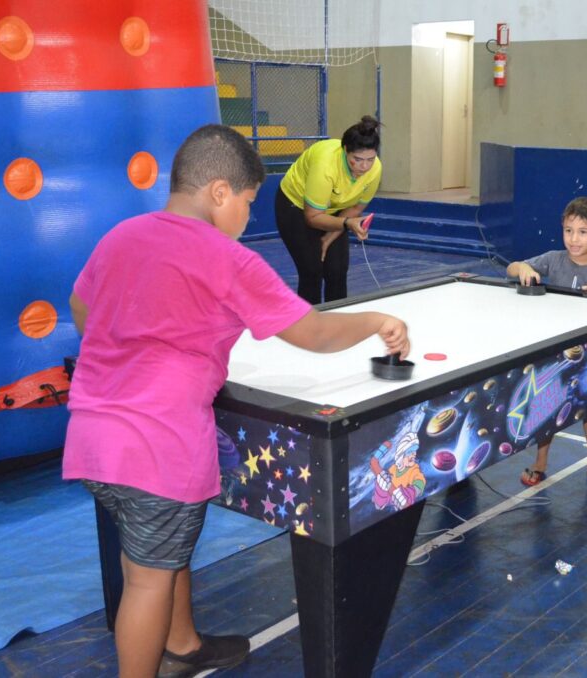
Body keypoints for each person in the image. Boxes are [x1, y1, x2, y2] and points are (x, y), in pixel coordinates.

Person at [63, 124, 409, 678]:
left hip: (91, 437)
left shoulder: (122, 235)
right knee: (146, 579)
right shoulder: (227, 258)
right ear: (219, 192)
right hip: (158, 447)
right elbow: (314, 333)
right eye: (248, 203)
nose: (248, 217)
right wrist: (377, 321)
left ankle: (183, 643)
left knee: (156, 554)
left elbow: (82, 308)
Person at [505, 196, 587, 489]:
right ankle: (540, 462)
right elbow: (512, 268)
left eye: (582, 232)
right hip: (556, 352)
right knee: (548, 408)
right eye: (568, 230)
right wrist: (523, 269)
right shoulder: (553, 259)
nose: (574, 239)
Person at [275, 115, 383, 304]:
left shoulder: (375, 170)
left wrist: (328, 238)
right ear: (345, 150)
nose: (364, 166)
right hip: (296, 205)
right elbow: (312, 217)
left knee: (337, 270)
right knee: (312, 270)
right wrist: (347, 224)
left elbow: (356, 207)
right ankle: (310, 321)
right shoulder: (326, 167)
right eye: (357, 159)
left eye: (370, 159)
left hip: (335, 208)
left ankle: (338, 317)